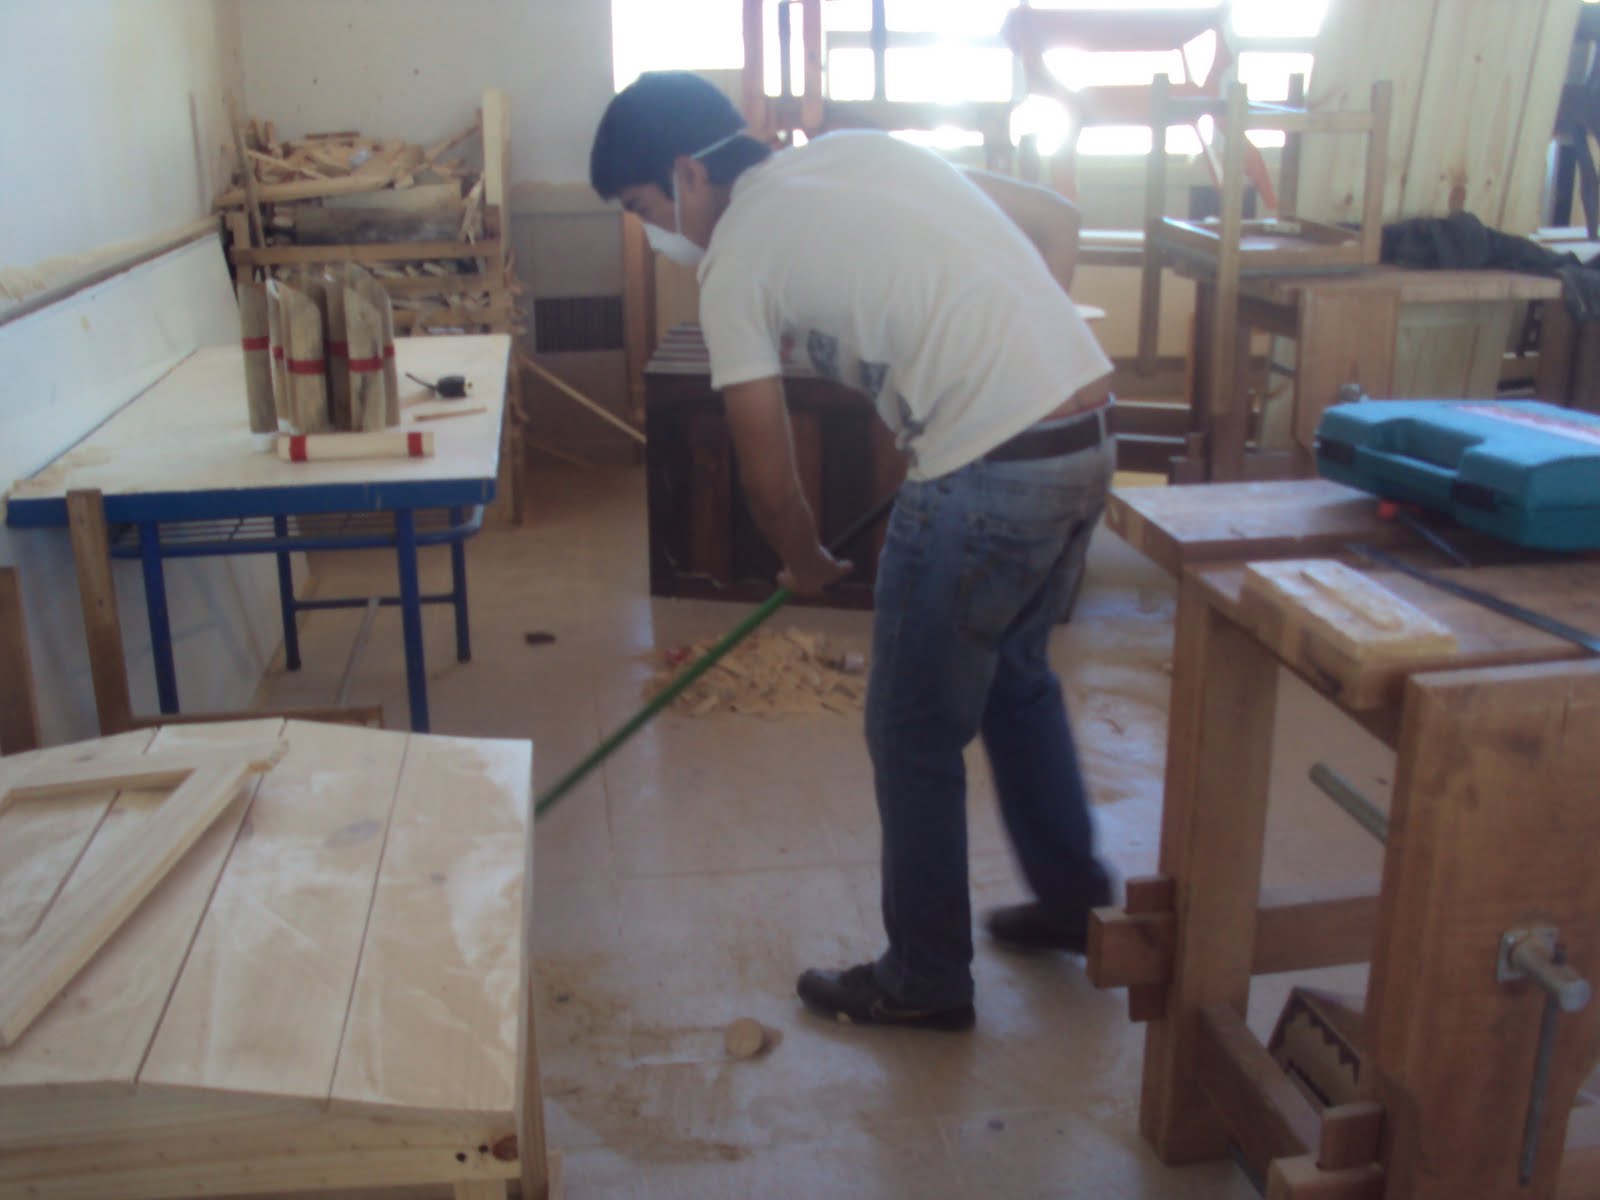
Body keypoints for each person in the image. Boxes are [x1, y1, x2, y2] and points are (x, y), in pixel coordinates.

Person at [590, 72, 1116, 1032]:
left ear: (686, 174)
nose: (657, 234)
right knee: (1017, 678)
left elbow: (767, 470)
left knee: (911, 733)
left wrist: (803, 561)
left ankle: (924, 978)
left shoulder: (735, 262)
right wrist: (1020, 369)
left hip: (990, 475)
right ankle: (1073, 902)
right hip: (1085, 440)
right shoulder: (856, 151)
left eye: (644, 210)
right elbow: (1056, 219)